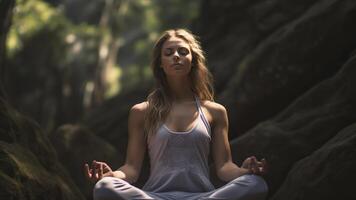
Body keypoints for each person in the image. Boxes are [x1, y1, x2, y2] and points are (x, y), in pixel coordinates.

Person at [84, 29, 268, 200]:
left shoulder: (215, 111)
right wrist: (112, 175)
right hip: (155, 197)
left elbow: (224, 167)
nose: (176, 57)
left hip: (203, 197)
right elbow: (131, 168)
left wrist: (245, 172)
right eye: (169, 53)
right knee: (104, 187)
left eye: (182, 52)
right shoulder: (142, 112)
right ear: (161, 64)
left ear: (193, 60)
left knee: (256, 184)